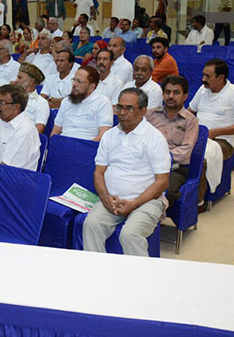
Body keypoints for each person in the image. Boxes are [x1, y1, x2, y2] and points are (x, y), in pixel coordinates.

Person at [83, 88, 170, 257]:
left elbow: (162, 182)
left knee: (130, 234)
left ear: (143, 111)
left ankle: (138, 273)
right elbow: (98, 173)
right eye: (119, 107)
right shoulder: (109, 135)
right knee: (91, 225)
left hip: (146, 201)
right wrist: (106, 198)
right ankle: (97, 270)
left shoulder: (154, 138)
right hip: (112, 199)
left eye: (129, 108)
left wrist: (134, 203)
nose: (122, 113)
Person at [147, 75, 199, 208]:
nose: (171, 96)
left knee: (166, 190)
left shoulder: (190, 120)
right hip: (146, 162)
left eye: (176, 93)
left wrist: (160, 157)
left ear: (185, 96)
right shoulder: (150, 115)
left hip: (174, 168)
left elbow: (185, 152)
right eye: (167, 92)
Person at [188, 59, 234, 209]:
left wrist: (214, 132)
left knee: (200, 155)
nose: (203, 79)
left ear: (221, 78)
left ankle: (198, 202)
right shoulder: (202, 90)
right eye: (203, 75)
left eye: (208, 76)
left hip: (222, 140)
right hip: (198, 136)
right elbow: (190, 112)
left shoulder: (232, 93)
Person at [51, 66, 113, 141]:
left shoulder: (103, 102)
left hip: (87, 144)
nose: (74, 84)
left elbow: (103, 135)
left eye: (79, 82)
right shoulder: (66, 101)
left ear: (91, 87)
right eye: (74, 80)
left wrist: (85, 146)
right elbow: (55, 131)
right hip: (63, 142)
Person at [14, 62, 49, 133]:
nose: (16, 81)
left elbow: (39, 129)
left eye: (20, 78)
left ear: (31, 81)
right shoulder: (11, 97)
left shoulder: (41, 102)